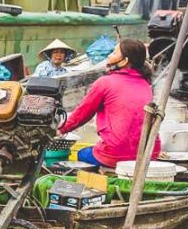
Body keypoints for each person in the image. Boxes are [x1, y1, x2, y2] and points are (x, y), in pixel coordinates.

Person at [59, 39, 160, 168]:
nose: (109, 56)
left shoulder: (105, 82)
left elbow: (82, 113)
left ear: (124, 61)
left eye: (114, 53)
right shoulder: (146, 84)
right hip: (150, 154)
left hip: (115, 154)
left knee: (82, 154)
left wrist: (61, 130)